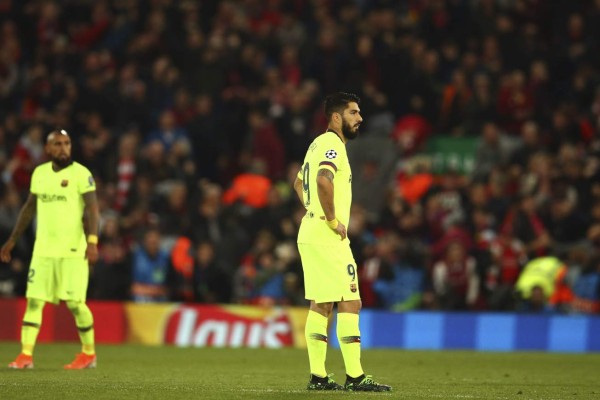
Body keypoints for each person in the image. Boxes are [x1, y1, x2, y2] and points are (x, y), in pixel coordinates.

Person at [293, 92, 391, 392]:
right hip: (326, 236)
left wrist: (313, 210)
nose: (359, 118)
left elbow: (299, 183)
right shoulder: (333, 145)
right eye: (353, 113)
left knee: (321, 304)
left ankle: (319, 377)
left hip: (311, 232)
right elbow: (323, 180)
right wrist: (333, 220)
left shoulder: (316, 144)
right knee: (351, 302)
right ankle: (355, 376)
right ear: (336, 117)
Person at [1, 129, 100, 369]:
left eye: (67, 143)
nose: (63, 148)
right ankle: (25, 355)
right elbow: (29, 207)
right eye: (58, 144)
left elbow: (93, 210)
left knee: (76, 303)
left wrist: (93, 241)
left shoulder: (81, 174)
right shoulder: (40, 174)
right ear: (48, 149)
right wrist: (12, 239)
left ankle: (88, 353)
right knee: (34, 301)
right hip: (43, 251)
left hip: (72, 252)